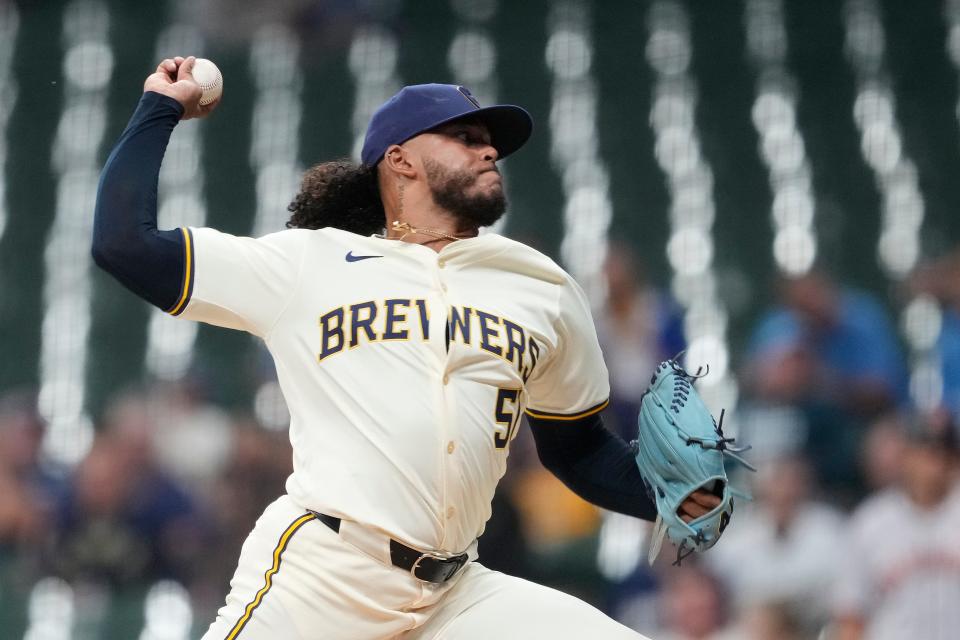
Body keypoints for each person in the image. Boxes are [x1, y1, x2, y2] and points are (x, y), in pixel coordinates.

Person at [92, 56, 720, 639]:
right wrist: (158, 107)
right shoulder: (311, 262)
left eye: (489, 141)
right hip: (325, 578)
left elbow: (579, 451)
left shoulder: (541, 287)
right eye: (465, 138)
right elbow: (124, 244)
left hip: (456, 593)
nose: (489, 149)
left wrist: (674, 489)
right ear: (401, 160)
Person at [832, 412, 960, 640]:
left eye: (941, 453)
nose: (932, 463)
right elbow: (850, 615)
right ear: (905, 456)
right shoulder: (871, 521)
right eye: (922, 452)